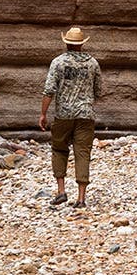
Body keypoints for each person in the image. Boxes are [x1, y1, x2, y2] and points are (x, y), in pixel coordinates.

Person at [39, 26, 101, 208]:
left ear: (66, 42)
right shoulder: (93, 63)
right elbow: (98, 90)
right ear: (82, 44)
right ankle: (81, 198)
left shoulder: (58, 63)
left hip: (63, 115)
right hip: (86, 114)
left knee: (59, 148)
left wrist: (43, 113)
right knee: (82, 152)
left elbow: (49, 90)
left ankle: (61, 191)